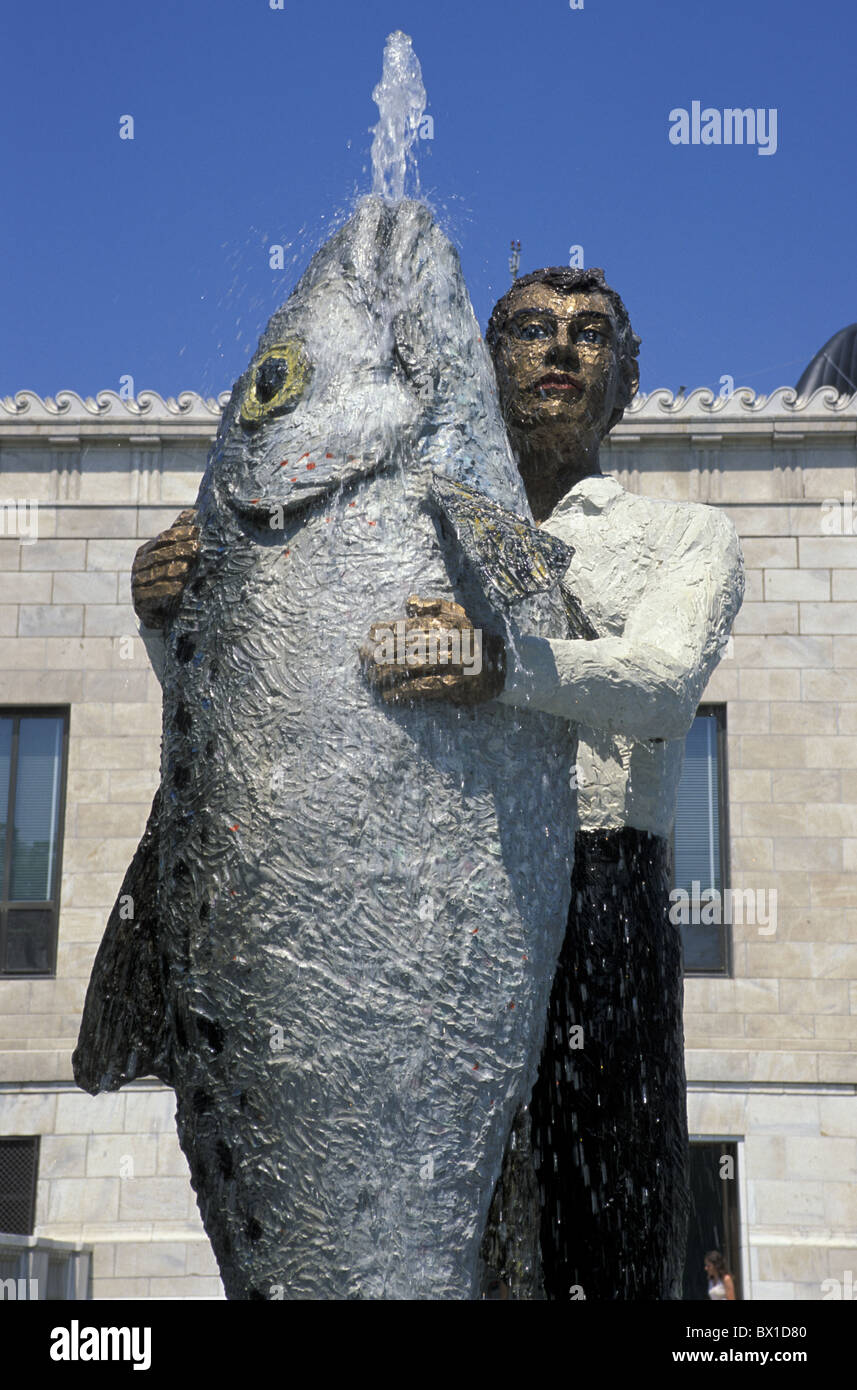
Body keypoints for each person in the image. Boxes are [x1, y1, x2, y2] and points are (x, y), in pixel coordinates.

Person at [131, 266, 744, 1300]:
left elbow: (662, 684)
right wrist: (174, 619)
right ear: (483, 362)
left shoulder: (682, 536)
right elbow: (300, 708)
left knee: (613, 1225)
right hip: (444, 899)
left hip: (602, 902)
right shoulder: (408, 528)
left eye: (591, 334)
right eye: (531, 329)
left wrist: (506, 665)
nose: (560, 349)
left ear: (626, 380)